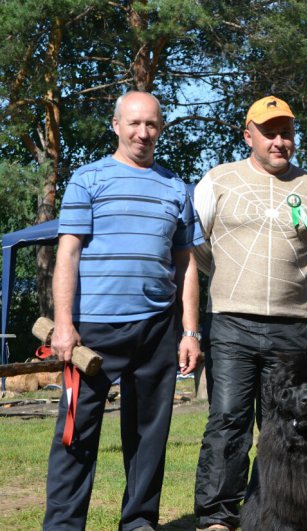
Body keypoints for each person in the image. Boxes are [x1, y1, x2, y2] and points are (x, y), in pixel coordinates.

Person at [44, 91, 204, 531]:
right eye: (133, 123)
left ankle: (138, 522)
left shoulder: (176, 187)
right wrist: (64, 324)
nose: (143, 132)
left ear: (161, 129)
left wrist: (190, 331)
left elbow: (186, 264)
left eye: (151, 124)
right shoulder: (88, 179)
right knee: (76, 433)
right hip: (92, 331)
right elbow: (68, 254)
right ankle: (62, 526)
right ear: (116, 126)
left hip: (157, 329)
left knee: (149, 435)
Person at [192, 95, 307, 531]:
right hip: (231, 323)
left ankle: (275, 512)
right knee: (227, 421)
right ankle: (218, 516)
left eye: (286, 132)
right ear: (248, 134)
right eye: (269, 132)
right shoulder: (218, 180)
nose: (279, 140)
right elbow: (197, 247)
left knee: (286, 427)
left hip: (292, 329)